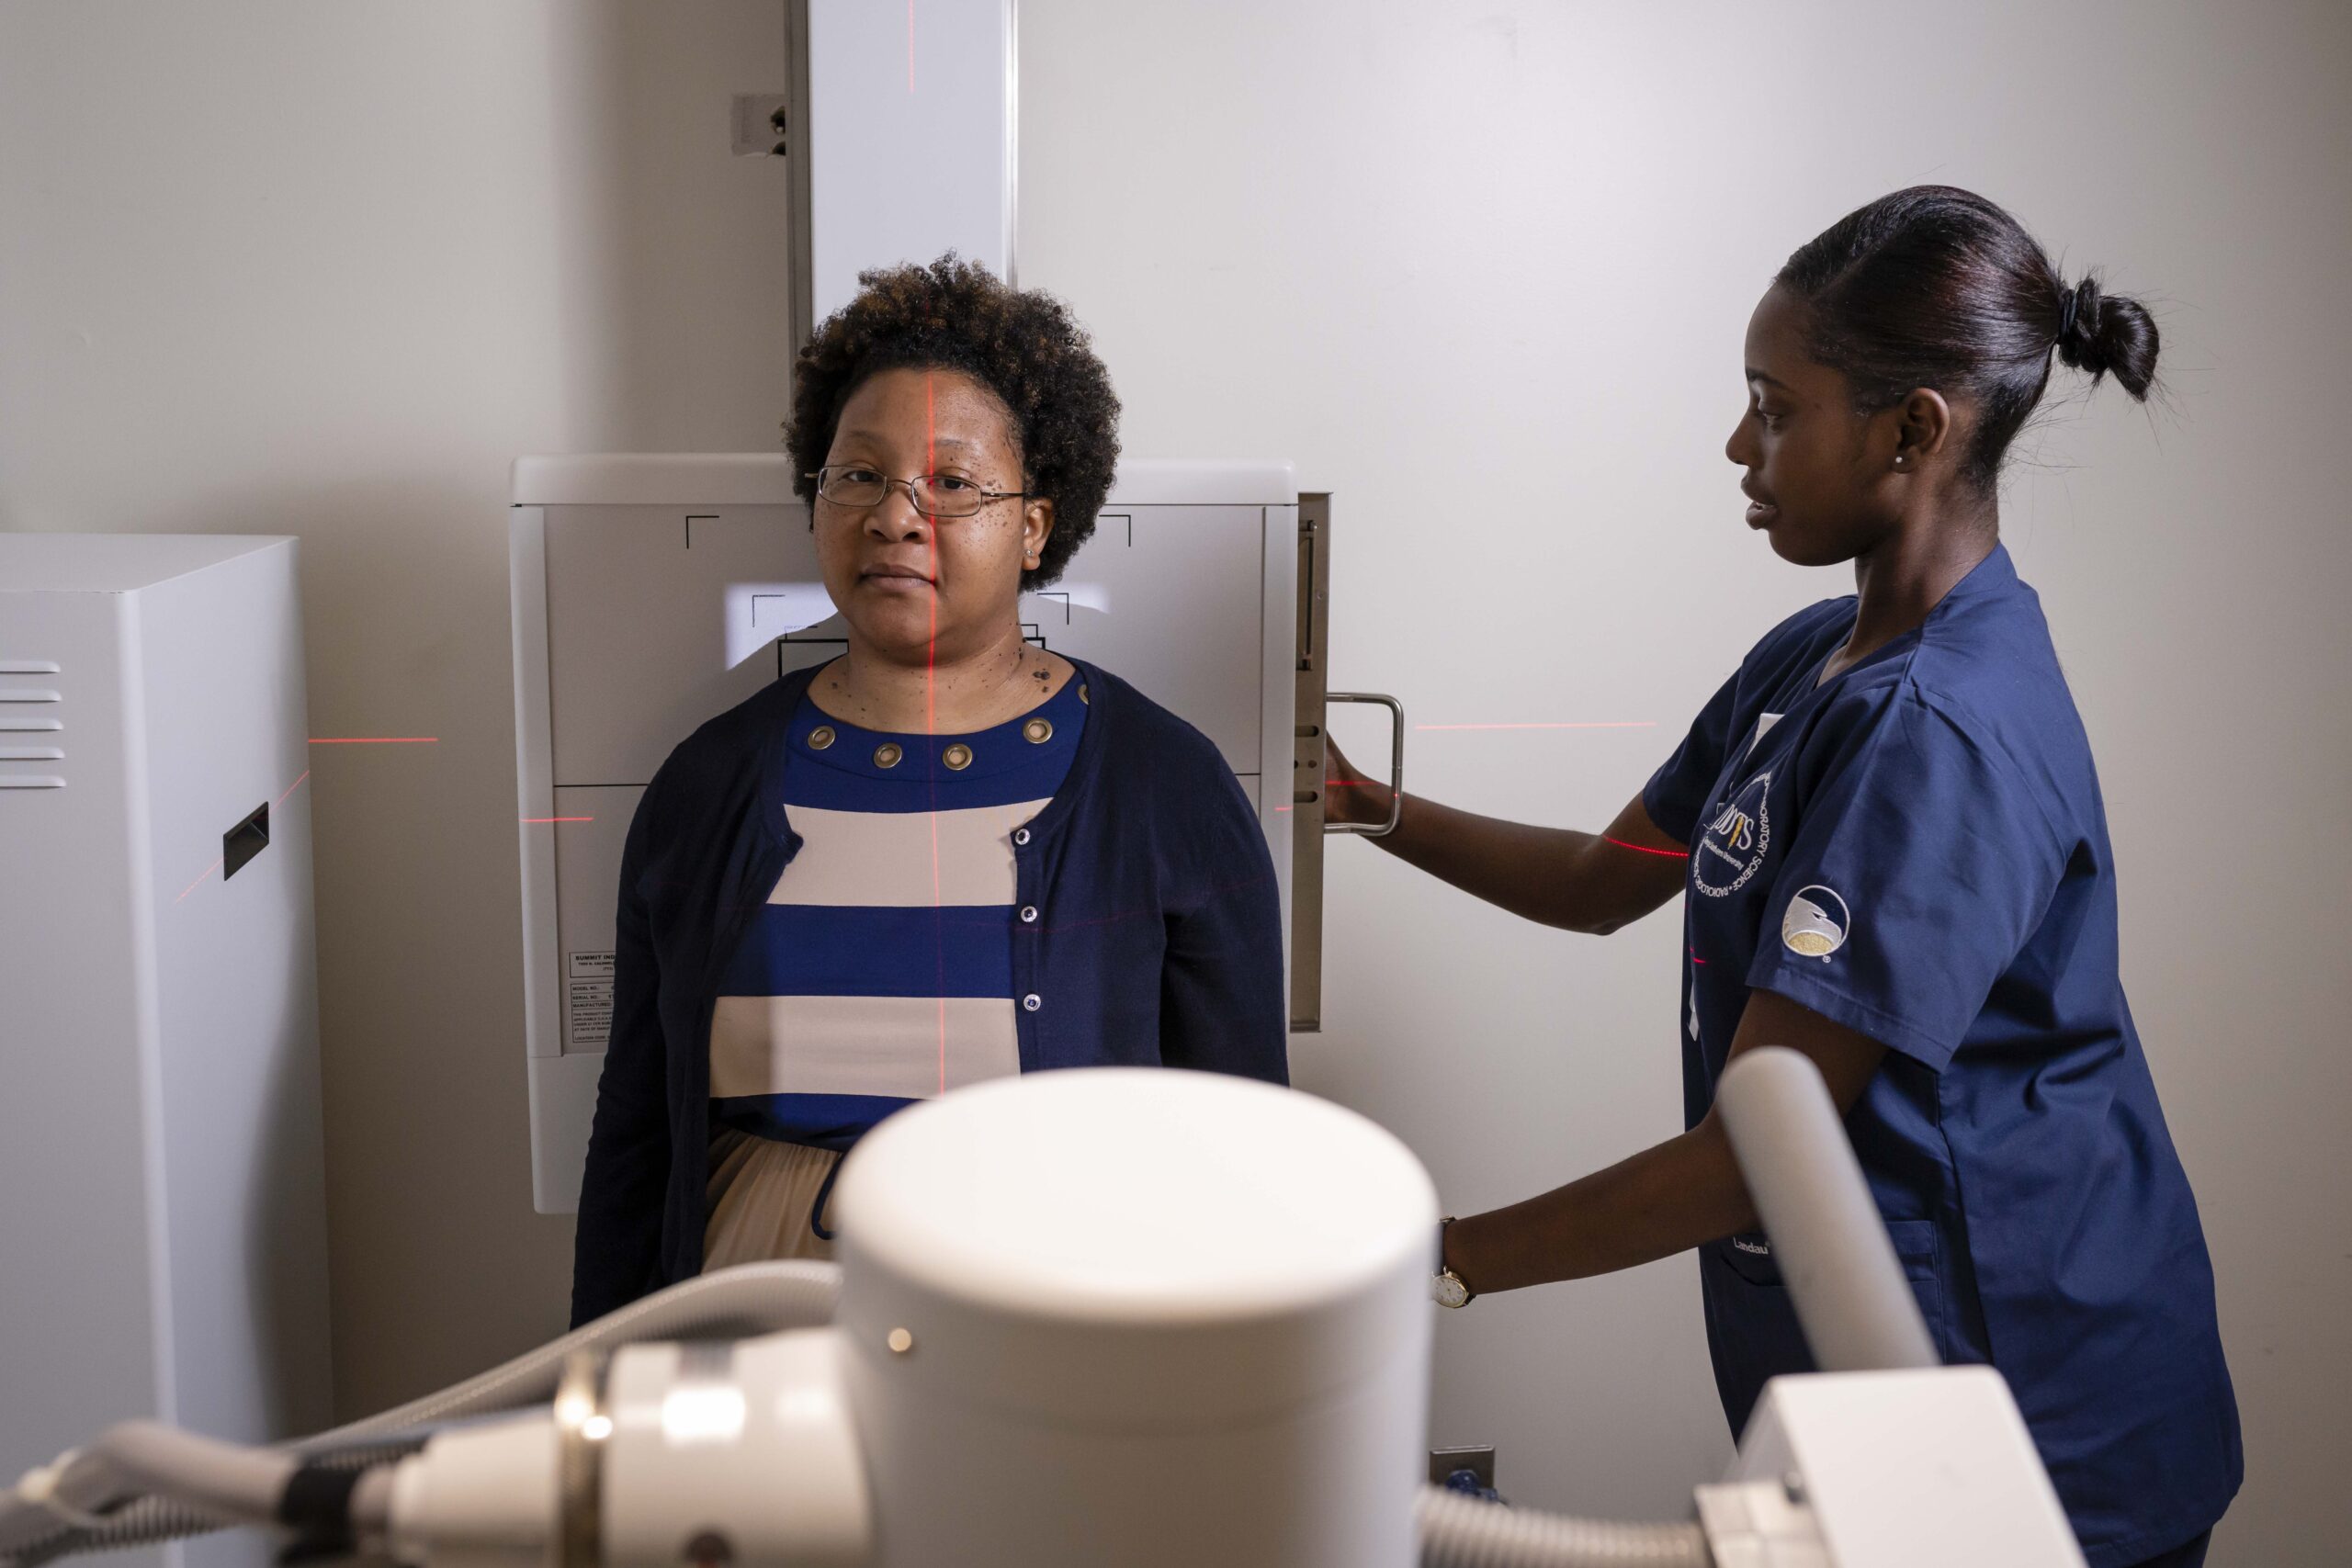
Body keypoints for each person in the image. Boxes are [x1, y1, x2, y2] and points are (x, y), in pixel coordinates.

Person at [1327, 187, 2238, 1567]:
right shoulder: (1813, 657)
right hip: (1874, 1388)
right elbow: (1603, 875)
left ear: (1913, 428)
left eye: (1775, 405)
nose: (1739, 444)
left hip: (2036, 1411)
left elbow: (1758, 1155)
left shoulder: (1941, 728)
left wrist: (1438, 1257)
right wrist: (1364, 803)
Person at [573, 256, 1287, 1325]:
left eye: (951, 484)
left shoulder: (1161, 787)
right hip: (753, 1327)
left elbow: (1242, 1151)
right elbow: (635, 1133)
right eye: (856, 475)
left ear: (1036, 524)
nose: (894, 516)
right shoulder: (707, 785)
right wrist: (597, 1388)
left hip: (1058, 1341)